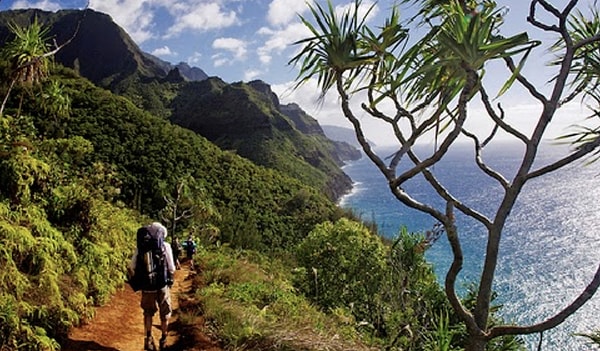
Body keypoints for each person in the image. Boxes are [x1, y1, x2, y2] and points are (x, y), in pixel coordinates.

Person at [128, 222, 175, 351]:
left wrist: (140, 279)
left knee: (148, 313)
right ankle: (164, 340)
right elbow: (172, 268)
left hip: (147, 287)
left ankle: (148, 339)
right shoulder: (165, 246)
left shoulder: (141, 248)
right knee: (165, 313)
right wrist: (170, 279)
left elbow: (131, 267)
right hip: (161, 285)